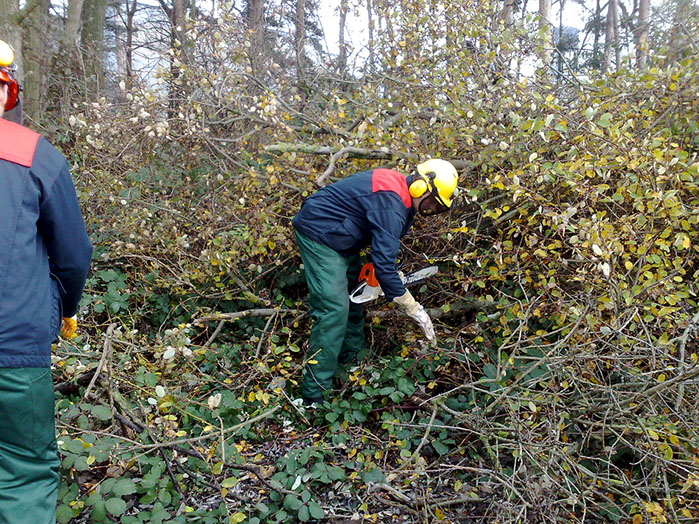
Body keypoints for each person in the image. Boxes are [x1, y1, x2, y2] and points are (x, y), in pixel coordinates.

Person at [0, 39, 93, 523]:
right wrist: (67, 308)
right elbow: (74, 256)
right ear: (7, 91)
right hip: (15, 347)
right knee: (23, 473)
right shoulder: (33, 153)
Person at [291, 159, 459, 405]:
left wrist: (383, 272)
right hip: (320, 232)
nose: (432, 209)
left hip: (343, 235)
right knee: (334, 310)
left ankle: (351, 365)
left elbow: (381, 244)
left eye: (438, 207)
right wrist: (412, 307)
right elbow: (384, 264)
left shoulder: (401, 197)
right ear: (421, 187)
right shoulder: (392, 203)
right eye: (433, 202)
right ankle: (314, 396)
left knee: (354, 299)